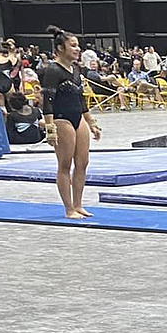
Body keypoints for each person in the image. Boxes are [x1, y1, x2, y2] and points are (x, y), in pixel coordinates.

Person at [40, 26, 101, 219]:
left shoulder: (75, 69)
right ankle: (68, 209)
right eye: (73, 45)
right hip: (61, 119)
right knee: (65, 164)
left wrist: (91, 122)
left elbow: (81, 98)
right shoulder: (52, 70)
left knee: (83, 162)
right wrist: (50, 128)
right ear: (60, 48)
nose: (77, 49)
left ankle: (78, 204)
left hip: (78, 117)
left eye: (78, 45)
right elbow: (47, 99)